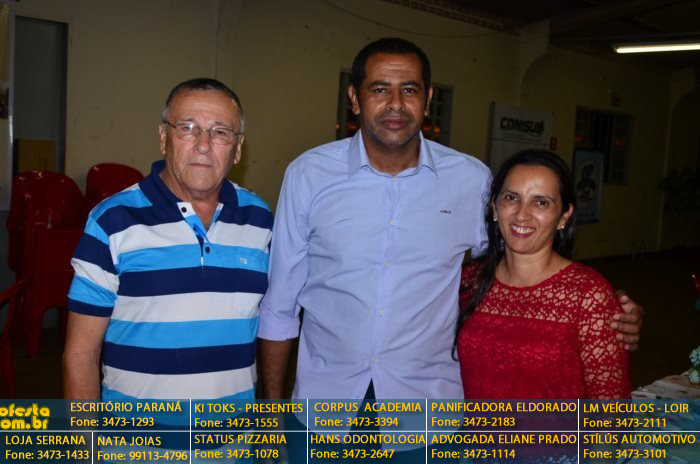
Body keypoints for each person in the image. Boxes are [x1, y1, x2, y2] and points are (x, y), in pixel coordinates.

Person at [258, 37, 641, 402]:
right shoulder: (309, 176)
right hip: (327, 399)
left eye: (409, 90)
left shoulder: (471, 181)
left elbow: (515, 262)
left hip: (426, 407)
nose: (396, 104)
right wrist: (272, 412)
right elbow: (280, 305)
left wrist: (602, 312)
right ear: (355, 99)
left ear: (427, 101)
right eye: (379, 89)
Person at [63, 78, 273, 400]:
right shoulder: (112, 221)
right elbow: (81, 354)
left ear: (238, 148)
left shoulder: (259, 219)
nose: (203, 145)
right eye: (188, 128)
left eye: (220, 132)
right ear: (164, 138)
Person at [457, 149, 630, 399]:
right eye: (511, 198)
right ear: (494, 207)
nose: (521, 214)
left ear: (564, 216)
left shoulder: (588, 296)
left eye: (541, 203)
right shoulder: (470, 280)